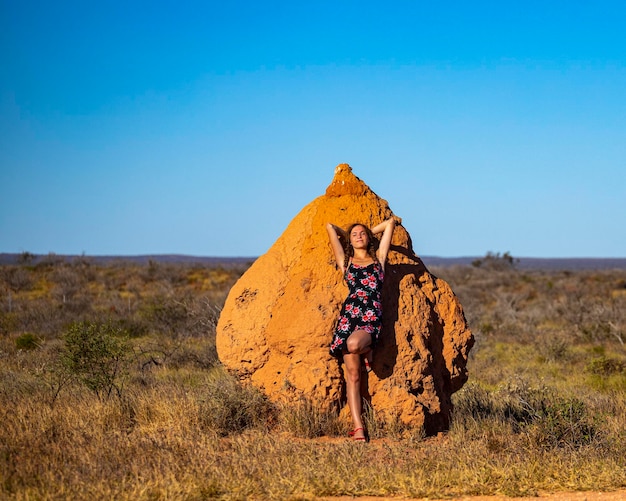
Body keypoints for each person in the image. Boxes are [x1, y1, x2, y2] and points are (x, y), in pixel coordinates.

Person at [326, 217, 396, 441]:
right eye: (354, 234)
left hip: (370, 318)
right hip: (348, 318)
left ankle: (368, 349)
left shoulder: (379, 260)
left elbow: (390, 224)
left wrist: (369, 231)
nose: (358, 236)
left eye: (362, 234)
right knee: (353, 375)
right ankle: (358, 426)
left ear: (369, 238)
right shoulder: (346, 262)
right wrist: (347, 236)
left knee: (354, 344)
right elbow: (330, 227)